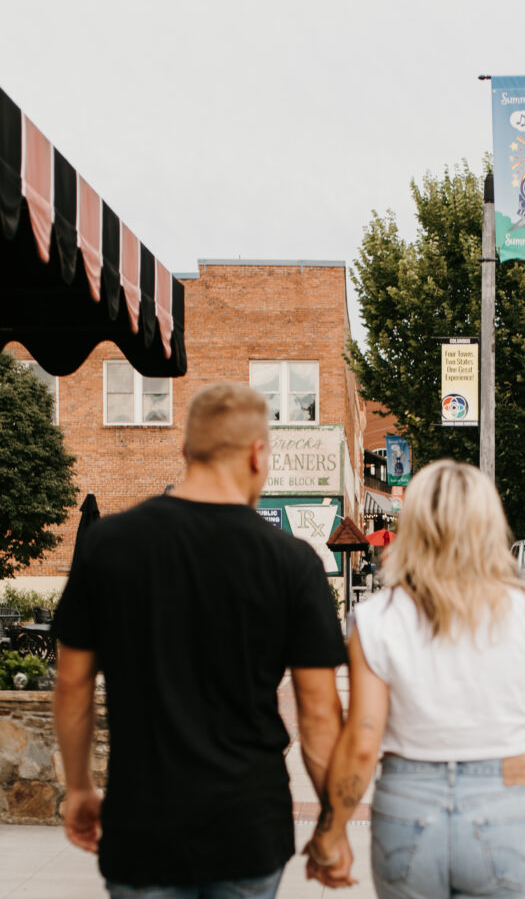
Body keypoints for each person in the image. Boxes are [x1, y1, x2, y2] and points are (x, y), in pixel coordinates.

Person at [53, 382, 348, 899]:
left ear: (186, 450)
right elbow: (320, 717)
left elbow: (73, 684)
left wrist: (79, 787)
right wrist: (333, 824)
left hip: (143, 826)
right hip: (248, 826)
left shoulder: (108, 544)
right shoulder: (293, 563)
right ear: (258, 454)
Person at [304, 459, 525, 898]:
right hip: (507, 805)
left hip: (409, 806)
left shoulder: (377, 620)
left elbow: (363, 740)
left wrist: (329, 834)